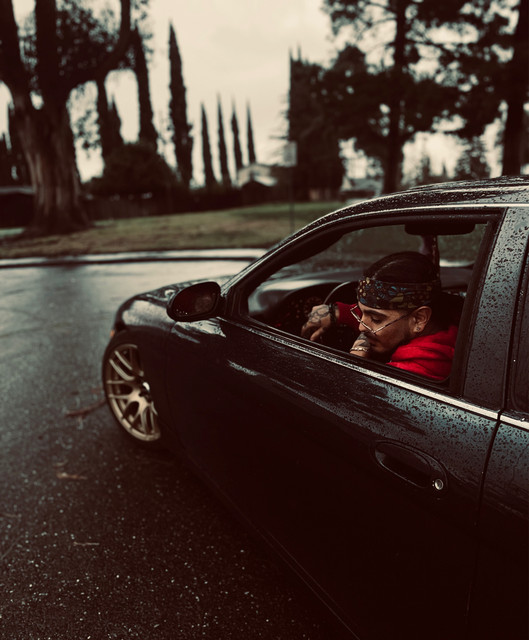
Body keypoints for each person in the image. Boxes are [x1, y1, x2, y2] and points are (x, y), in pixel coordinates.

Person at [301, 251, 459, 381]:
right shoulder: (454, 328)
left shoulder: (409, 375)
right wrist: (340, 312)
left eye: (376, 319)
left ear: (419, 319)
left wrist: (356, 362)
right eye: (361, 312)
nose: (361, 326)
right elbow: (388, 318)